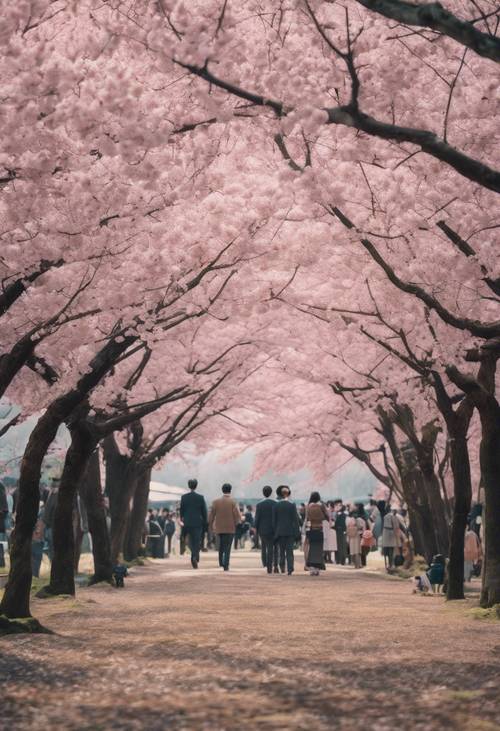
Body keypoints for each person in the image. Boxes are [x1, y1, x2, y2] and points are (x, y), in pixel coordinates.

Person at [209, 483, 241, 571]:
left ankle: (221, 562)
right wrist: (237, 522)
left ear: (222, 490)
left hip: (219, 528)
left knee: (221, 545)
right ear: (230, 490)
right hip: (230, 528)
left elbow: (211, 516)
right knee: (228, 547)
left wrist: (211, 526)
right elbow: (237, 516)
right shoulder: (233, 502)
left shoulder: (215, 502)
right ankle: (226, 564)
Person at [179, 478, 208, 569]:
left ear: (189, 485)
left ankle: (193, 554)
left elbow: (181, 510)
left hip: (187, 522)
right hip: (197, 523)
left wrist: (182, 519)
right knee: (196, 541)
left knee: (189, 540)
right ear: (196, 485)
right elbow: (204, 511)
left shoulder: (184, 497)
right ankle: (194, 556)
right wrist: (205, 521)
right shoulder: (200, 497)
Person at [274, 485, 300, 575]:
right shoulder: (292, 505)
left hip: (280, 532)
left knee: (281, 551)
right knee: (290, 551)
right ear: (288, 494)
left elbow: (275, 520)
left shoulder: (277, 505)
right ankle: (290, 568)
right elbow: (295, 520)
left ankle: (282, 567)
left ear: (281, 494)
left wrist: (275, 532)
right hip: (290, 532)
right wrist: (297, 533)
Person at [305, 492, 329, 575]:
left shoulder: (308, 506)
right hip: (320, 529)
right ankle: (317, 568)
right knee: (319, 549)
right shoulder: (321, 505)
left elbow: (307, 517)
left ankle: (311, 567)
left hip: (311, 528)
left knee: (311, 548)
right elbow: (327, 516)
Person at [254, 485, 277, 574]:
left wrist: (255, 527)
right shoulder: (275, 503)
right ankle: (272, 565)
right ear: (271, 493)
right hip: (273, 529)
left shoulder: (259, 504)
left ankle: (265, 563)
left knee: (264, 546)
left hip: (262, 529)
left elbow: (257, 518)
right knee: (273, 547)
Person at [333, 500, 347, 565]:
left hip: (340, 532)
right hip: (339, 531)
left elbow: (339, 524)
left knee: (341, 546)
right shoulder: (339, 514)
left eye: (339, 505)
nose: (337, 507)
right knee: (340, 546)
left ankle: (341, 560)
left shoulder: (343, 515)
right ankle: (339, 560)